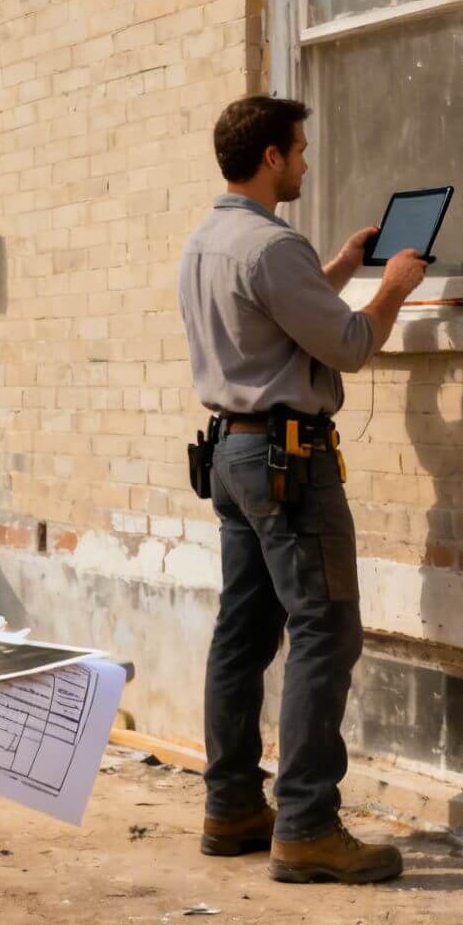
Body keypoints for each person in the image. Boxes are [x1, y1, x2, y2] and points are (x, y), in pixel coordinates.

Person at [177, 95, 428, 884]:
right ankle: (309, 825)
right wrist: (392, 285)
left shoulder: (207, 241)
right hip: (289, 464)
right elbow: (350, 343)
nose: (307, 162)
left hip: (231, 457)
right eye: (300, 149)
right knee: (325, 629)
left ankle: (232, 808)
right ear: (272, 159)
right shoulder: (271, 246)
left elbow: (273, 316)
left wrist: (345, 269)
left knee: (243, 635)